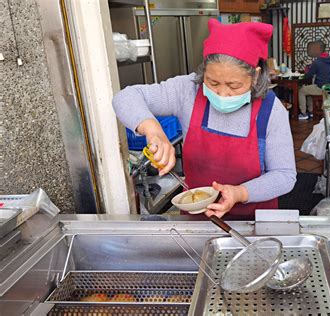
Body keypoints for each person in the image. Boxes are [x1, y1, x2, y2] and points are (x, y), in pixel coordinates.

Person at [113, 19, 297, 220]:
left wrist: (239, 193)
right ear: (204, 72)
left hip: (255, 223)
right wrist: (152, 129)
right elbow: (125, 97)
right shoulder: (187, 91)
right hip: (197, 218)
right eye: (213, 82)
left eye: (234, 86)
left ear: (255, 76)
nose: (222, 93)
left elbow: (284, 175)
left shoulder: (271, 110)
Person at [298, 41, 330, 120]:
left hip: (321, 88)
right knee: (309, 89)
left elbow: (309, 75)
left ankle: (303, 113)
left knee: (302, 90)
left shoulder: (317, 62)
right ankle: (311, 111)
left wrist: (308, 68)